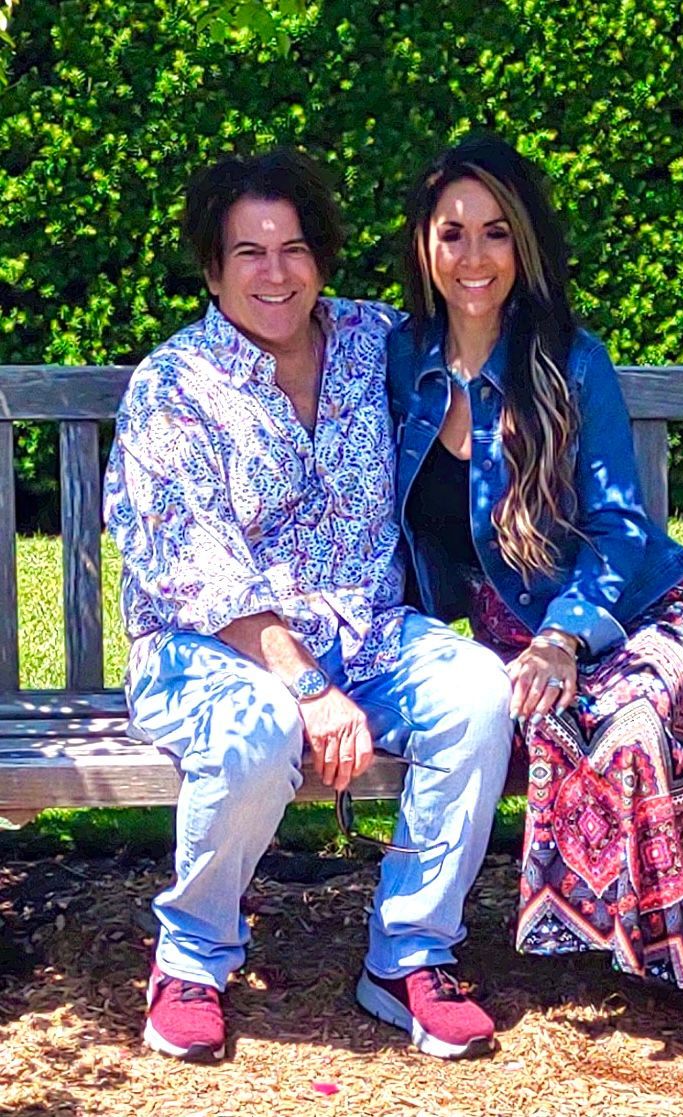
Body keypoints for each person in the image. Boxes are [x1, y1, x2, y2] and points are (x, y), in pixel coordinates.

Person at [386, 134, 683, 1037]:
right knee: (555, 720)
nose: (473, 256)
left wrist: (565, 634)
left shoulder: (571, 360)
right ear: (423, 243)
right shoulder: (398, 361)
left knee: (628, 729)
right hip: (512, 640)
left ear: (524, 244)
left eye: (495, 232)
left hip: (640, 614)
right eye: (451, 231)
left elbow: (620, 527)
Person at [104, 149, 514, 1062]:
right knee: (256, 727)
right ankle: (193, 960)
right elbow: (195, 568)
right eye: (247, 252)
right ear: (211, 269)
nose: (275, 273)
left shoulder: (375, 344)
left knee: (480, 692)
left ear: (321, 256)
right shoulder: (174, 388)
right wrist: (307, 687)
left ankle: (409, 954)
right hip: (211, 652)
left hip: (367, 640)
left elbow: (486, 314)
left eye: (293, 247)